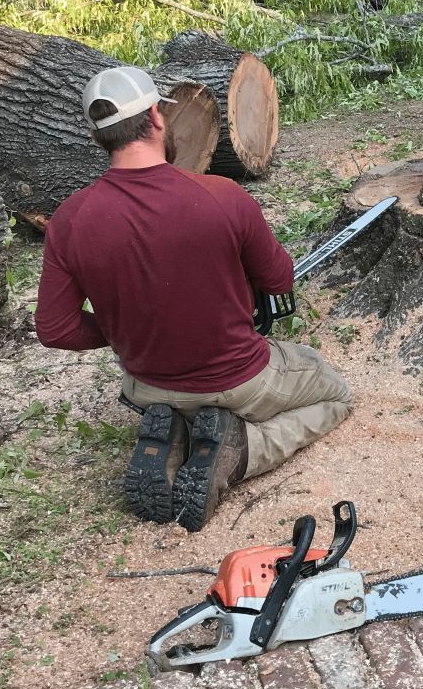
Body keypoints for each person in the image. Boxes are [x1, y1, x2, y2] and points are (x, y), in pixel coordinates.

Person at [34, 65, 352, 531]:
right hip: (240, 378)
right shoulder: (223, 196)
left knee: (178, 400)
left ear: (96, 134)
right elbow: (280, 278)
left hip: (145, 387)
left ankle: (179, 433)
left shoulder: (69, 220)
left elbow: (55, 328)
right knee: (337, 396)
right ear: (157, 118)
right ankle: (240, 450)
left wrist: (131, 323)